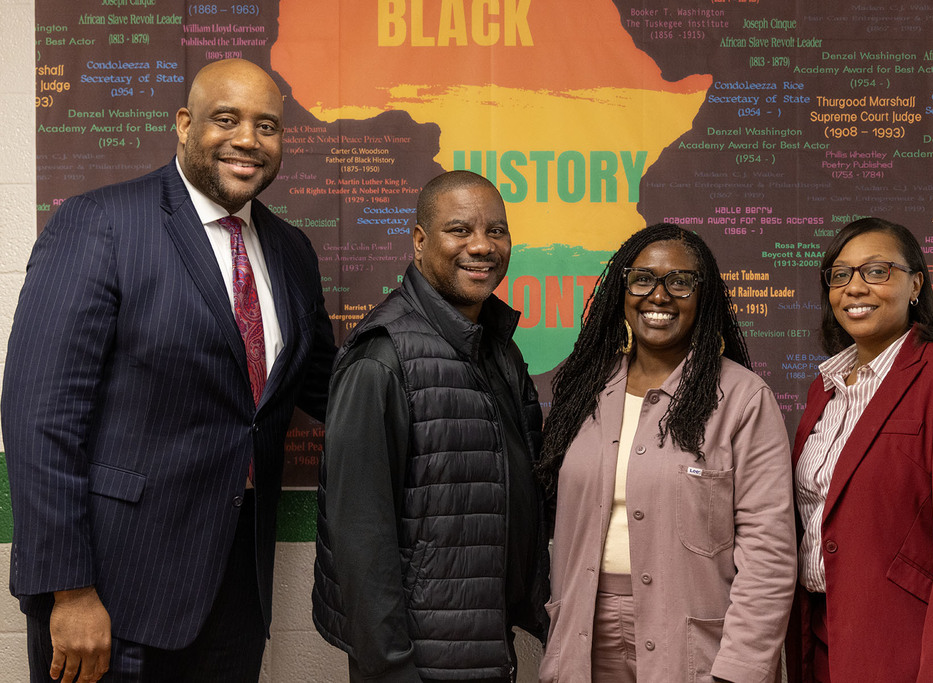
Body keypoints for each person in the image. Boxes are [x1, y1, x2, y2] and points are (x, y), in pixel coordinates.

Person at [2, 59, 336, 682]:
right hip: (112, 594)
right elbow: (39, 417)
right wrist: (69, 591)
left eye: (267, 126)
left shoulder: (291, 250)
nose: (248, 140)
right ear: (184, 125)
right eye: (226, 119)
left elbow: (328, 385)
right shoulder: (99, 222)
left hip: (237, 593)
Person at [312, 170, 549, 682]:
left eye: (497, 231)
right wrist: (390, 668)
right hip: (418, 660)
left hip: (481, 639)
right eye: (460, 230)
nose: (482, 246)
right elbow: (358, 537)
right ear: (420, 242)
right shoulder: (382, 357)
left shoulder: (496, 345)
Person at [535, 223, 796, 682]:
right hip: (584, 633)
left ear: (704, 296)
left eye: (679, 282)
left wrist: (739, 669)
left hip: (693, 643)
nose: (659, 296)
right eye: (642, 279)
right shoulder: (585, 392)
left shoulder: (742, 398)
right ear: (623, 290)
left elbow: (768, 552)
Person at [785, 217, 933, 682]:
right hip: (828, 646)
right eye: (840, 274)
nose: (854, 287)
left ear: (916, 285)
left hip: (914, 652)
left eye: (876, 271)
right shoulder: (824, 389)